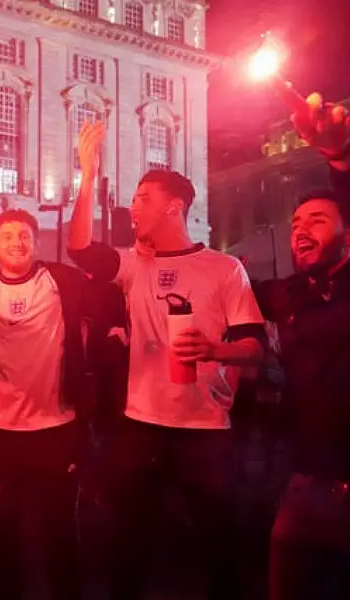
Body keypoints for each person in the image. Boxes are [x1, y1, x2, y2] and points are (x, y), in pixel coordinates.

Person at [67, 123, 266, 600]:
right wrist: (88, 174)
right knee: (128, 546)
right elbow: (79, 249)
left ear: (173, 207)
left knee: (218, 548)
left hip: (204, 432)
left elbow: (255, 347)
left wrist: (215, 350)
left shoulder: (224, 268)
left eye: (142, 198)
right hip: (141, 427)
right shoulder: (137, 266)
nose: (133, 207)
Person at [0, 201, 95, 599]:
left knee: (60, 534)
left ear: (37, 243)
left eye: (25, 235)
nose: (17, 242)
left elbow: (103, 285)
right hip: (0, 432)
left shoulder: (63, 282)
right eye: (7, 236)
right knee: (5, 537)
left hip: (57, 430)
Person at [258, 94, 350, 600]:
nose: (300, 232)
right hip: (305, 491)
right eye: (295, 226)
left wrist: (339, 159)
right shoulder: (288, 294)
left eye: (316, 221)